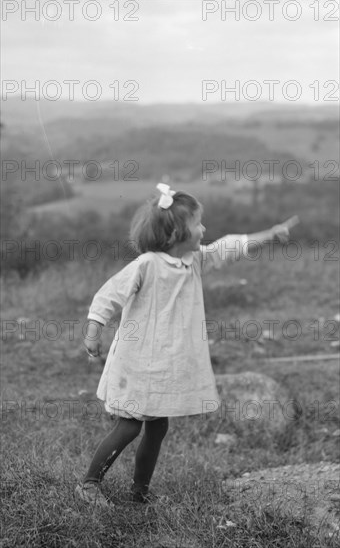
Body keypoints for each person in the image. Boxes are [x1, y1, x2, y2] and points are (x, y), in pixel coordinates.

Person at [75, 183, 291, 508]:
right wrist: (93, 331)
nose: (203, 229)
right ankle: (89, 484)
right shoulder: (147, 265)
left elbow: (230, 246)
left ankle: (140, 492)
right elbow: (109, 295)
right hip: (138, 361)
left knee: (157, 426)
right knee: (131, 425)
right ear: (177, 232)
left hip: (165, 365)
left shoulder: (194, 262)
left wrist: (271, 234)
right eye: (197, 224)